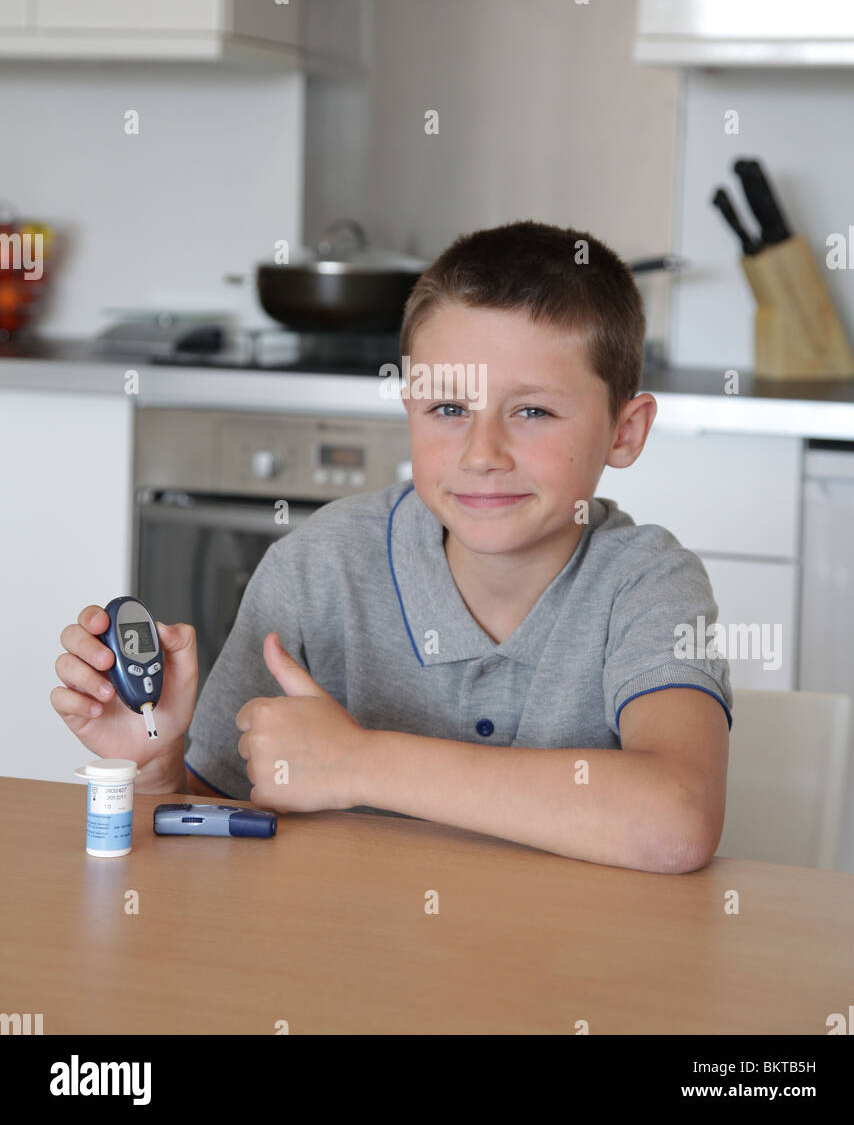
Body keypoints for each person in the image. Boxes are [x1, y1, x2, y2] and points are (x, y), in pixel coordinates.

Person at [52, 219, 732, 873]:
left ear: (626, 431)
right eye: (448, 409)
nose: (482, 453)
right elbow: (208, 829)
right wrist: (151, 759)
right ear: (409, 407)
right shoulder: (319, 569)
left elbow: (677, 821)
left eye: (533, 412)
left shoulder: (648, 583)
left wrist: (357, 761)